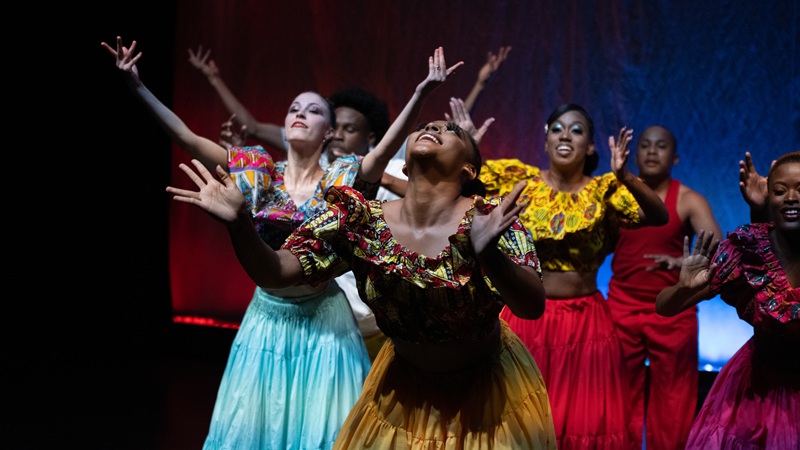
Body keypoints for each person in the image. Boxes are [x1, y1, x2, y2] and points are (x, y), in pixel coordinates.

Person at [102, 35, 455, 449]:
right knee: (257, 428)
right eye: (293, 109)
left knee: (322, 431)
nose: (300, 114)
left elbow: (386, 150)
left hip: (324, 322)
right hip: (267, 320)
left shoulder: (344, 173)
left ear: (329, 132)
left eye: (314, 110)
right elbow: (186, 137)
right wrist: (139, 87)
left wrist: (420, 93)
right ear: (285, 127)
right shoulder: (256, 170)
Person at [167, 116, 558, 449]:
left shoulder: (489, 218)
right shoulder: (358, 220)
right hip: (403, 391)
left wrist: (489, 255)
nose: (434, 128)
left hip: (484, 392)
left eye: (449, 130)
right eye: (426, 125)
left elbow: (532, 305)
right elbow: (277, 272)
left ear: (468, 170)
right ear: (404, 166)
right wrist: (240, 226)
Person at [190, 48, 403, 360]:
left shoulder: (376, 172)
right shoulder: (288, 164)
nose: (340, 135)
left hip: (352, 309)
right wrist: (214, 80)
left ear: (370, 136)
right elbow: (245, 125)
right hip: (288, 302)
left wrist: (381, 178)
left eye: (349, 128)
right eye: (295, 110)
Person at [479, 103, 669, 449]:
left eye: (577, 129)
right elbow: (454, 183)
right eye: (557, 128)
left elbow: (658, 216)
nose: (566, 134)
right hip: (527, 318)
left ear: (591, 147)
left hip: (586, 325)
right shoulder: (521, 182)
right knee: (520, 420)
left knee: (586, 423)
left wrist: (626, 176)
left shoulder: (604, 190)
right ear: (547, 139)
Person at [655, 151, 799, 449]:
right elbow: (665, 307)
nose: (791, 198)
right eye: (780, 191)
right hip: (756, 392)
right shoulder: (750, 248)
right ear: (769, 198)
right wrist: (683, 289)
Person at [606, 125, 722, 450]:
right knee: (618, 399)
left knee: (673, 402)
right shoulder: (618, 196)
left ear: (675, 158)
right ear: (634, 154)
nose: (652, 151)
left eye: (661, 146)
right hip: (621, 309)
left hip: (673, 313)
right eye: (645, 145)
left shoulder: (688, 200)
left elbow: (719, 249)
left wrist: (677, 263)